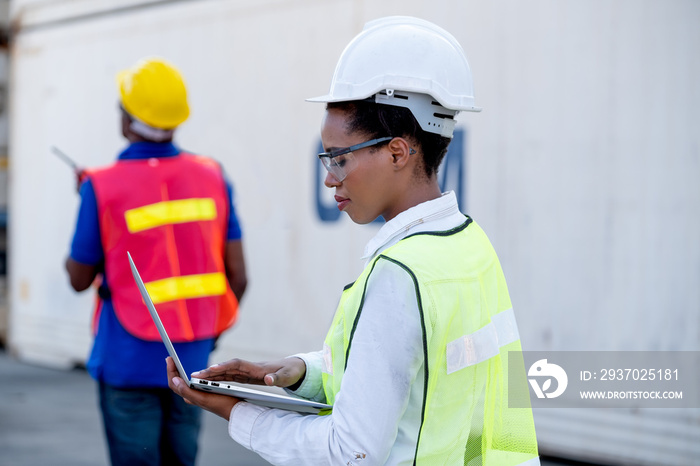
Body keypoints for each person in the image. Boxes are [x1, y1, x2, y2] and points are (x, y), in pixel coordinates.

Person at [168, 16, 539, 465]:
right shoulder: (469, 245)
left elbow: (350, 453)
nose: (329, 178)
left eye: (339, 158)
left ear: (398, 152)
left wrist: (237, 414)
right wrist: (298, 372)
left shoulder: (400, 276)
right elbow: (423, 378)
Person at [65, 57, 247, 466]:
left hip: (127, 360)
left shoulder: (101, 185)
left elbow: (78, 277)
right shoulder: (213, 175)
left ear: (128, 121)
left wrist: (91, 204)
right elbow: (238, 276)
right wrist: (206, 332)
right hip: (192, 360)